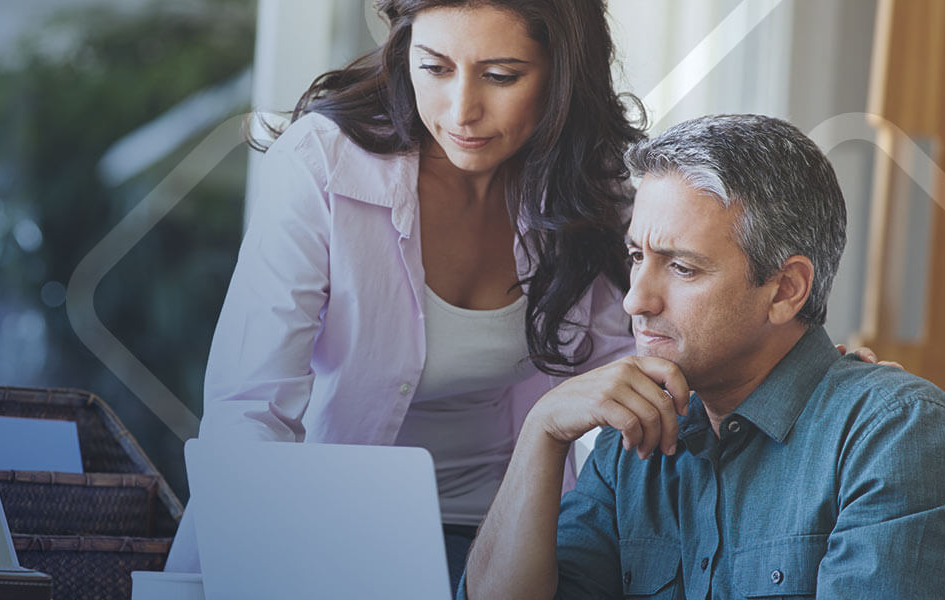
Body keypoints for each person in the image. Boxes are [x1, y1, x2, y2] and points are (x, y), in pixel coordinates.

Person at [167, 0, 642, 586]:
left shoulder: (593, 188)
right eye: (435, 67)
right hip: (322, 531)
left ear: (564, 71)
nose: (461, 110)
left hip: (508, 538)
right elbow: (251, 409)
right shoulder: (324, 164)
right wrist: (260, 568)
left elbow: (632, 365)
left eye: (500, 76)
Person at [462, 114, 945, 599]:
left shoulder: (899, 439)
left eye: (682, 267)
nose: (635, 300)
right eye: (636, 256)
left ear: (785, 290)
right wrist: (543, 432)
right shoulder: (629, 441)